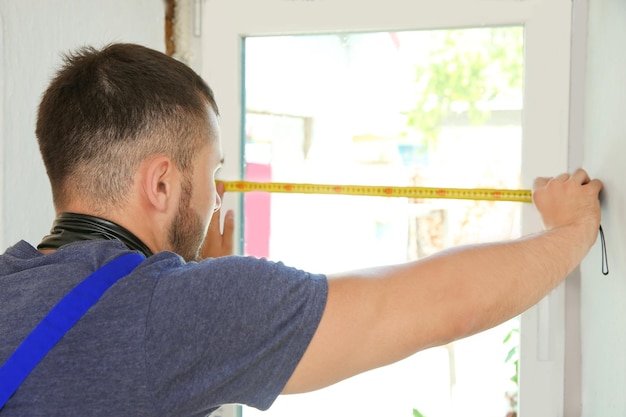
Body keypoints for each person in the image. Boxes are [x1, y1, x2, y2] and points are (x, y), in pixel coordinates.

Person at [0, 43, 602, 417]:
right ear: (161, 185)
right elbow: (443, 306)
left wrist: (195, 281)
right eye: (213, 173)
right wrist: (570, 232)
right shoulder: (176, 314)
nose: (217, 198)